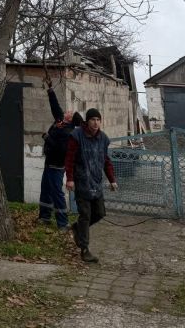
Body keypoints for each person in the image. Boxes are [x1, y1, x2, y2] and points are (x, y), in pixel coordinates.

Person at [65, 108, 118, 262]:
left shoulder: (103, 138)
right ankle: (85, 249)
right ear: (87, 121)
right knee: (85, 215)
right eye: (93, 119)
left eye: (98, 120)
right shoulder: (77, 136)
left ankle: (77, 228)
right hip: (82, 181)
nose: (96, 123)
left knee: (100, 212)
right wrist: (70, 178)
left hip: (96, 181)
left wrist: (112, 179)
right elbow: (69, 159)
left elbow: (106, 161)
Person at [39, 79, 83, 229]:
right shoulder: (61, 122)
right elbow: (55, 107)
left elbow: (60, 149)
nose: (66, 111)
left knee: (57, 193)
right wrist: (50, 90)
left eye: (69, 112)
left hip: (57, 166)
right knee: (45, 189)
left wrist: (47, 137)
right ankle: (44, 216)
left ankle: (63, 223)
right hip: (49, 162)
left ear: (70, 119)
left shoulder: (68, 132)